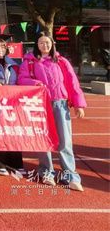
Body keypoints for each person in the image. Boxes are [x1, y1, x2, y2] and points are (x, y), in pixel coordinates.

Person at [18, 31, 87, 191]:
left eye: (48, 42)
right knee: (43, 138)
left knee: (65, 140)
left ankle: (70, 174)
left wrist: (78, 103)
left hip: (60, 103)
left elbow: (72, 82)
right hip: (40, 105)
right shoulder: (29, 61)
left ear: (52, 44)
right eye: (41, 42)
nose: (45, 45)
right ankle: (46, 171)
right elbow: (22, 79)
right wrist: (35, 83)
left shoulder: (61, 61)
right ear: (37, 45)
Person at [0, 38, 24, 176]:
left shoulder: (13, 64)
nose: (0, 49)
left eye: (2, 47)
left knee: (13, 131)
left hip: (12, 102)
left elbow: (20, 81)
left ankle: (15, 163)